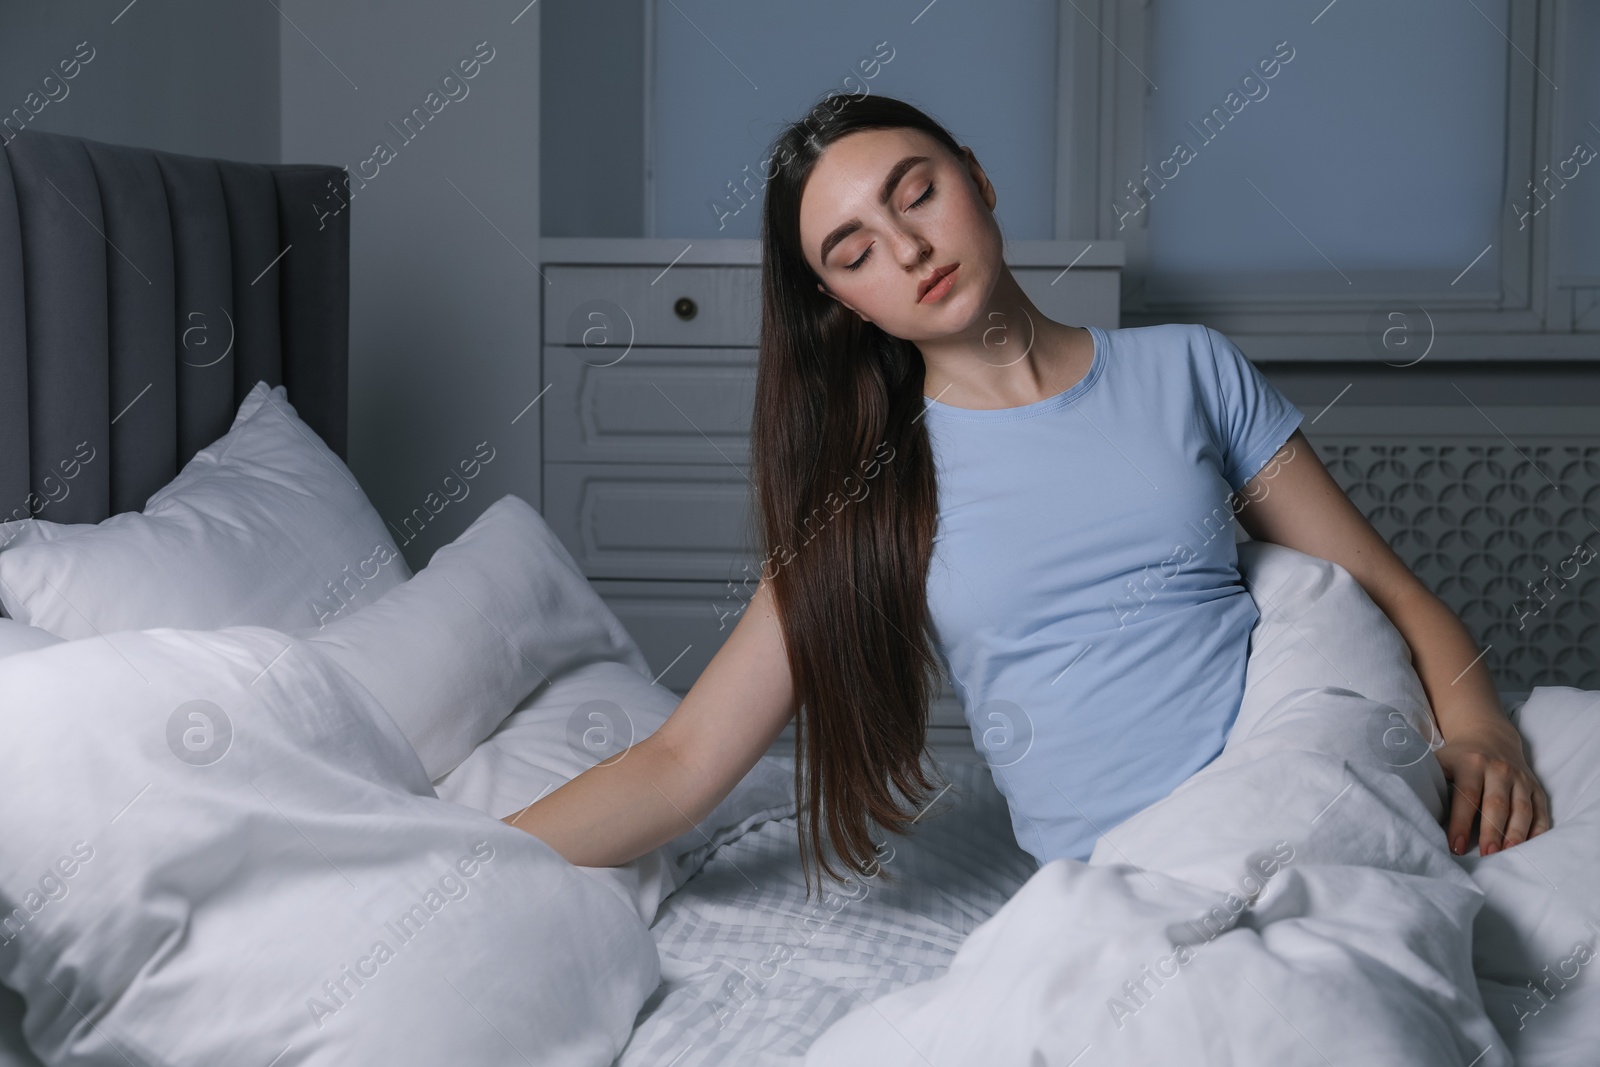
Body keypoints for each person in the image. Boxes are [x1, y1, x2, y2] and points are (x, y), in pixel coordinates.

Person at [502, 92, 1551, 898]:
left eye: (916, 191)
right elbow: (684, 761)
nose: (907, 249)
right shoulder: (871, 492)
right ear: (841, 303)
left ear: (978, 179)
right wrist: (459, 862)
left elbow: (1378, 590)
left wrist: (1479, 728)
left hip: (1298, 779)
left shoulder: (1188, 369)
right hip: (1128, 881)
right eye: (854, 249)